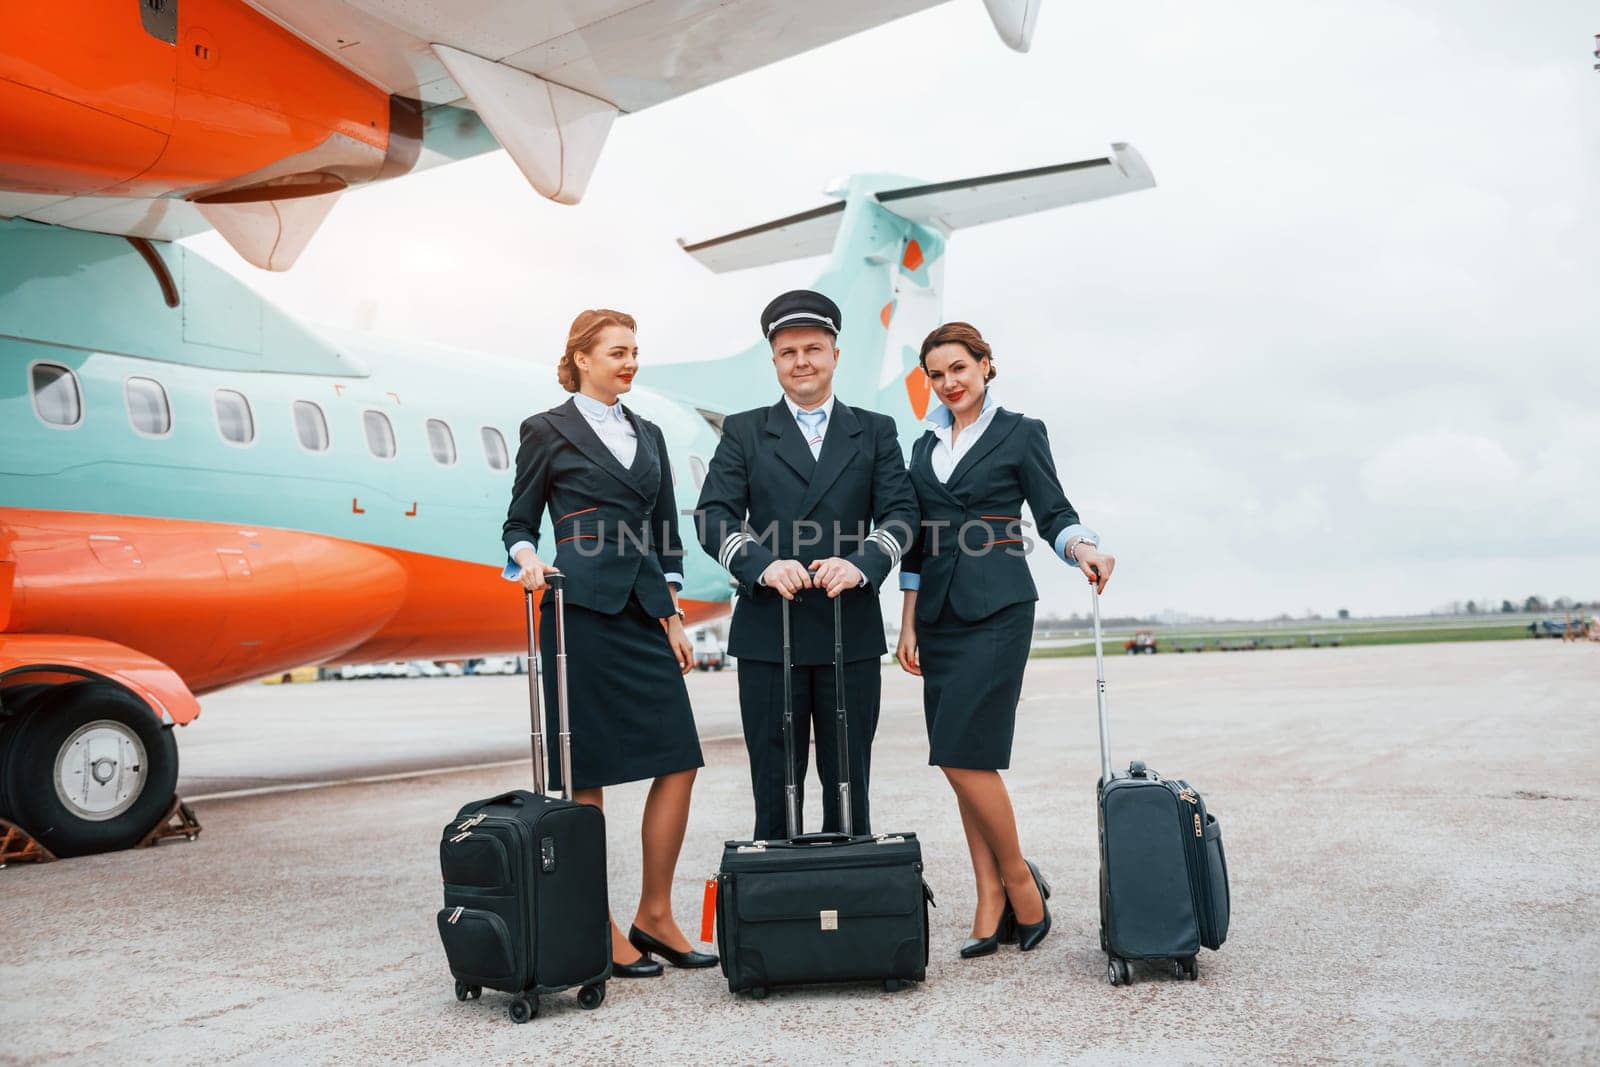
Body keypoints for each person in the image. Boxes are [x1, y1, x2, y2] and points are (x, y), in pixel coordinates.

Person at [502, 308, 715, 977]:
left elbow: (664, 533)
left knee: (679, 756)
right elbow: (518, 519)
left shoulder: (647, 433)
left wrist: (673, 616)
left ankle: (655, 912)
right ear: (583, 357)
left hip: (643, 609)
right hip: (578, 608)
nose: (630, 362)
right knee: (586, 772)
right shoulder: (546, 429)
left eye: (634, 351)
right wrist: (527, 558)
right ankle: (598, 923)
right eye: (617, 351)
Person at [894, 321, 1116, 957]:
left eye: (959, 368)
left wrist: (1083, 547)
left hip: (998, 608)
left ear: (986, 365)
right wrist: (907, 620)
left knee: (963, 752)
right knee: (965, 759)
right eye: (937, 374)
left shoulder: (1021, 432)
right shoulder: (923, 444)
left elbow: (1052, 511)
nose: (949, 382)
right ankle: (988, 895)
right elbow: (917, 539)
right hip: (937, 613)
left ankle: (1020, 881)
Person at [695, 289, 918, 839]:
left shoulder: (875, 429)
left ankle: (850, 897)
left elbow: (902, 512)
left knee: (848, 781)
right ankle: (777, 904)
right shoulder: (744, 431)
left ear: (835, 356)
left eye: (813, 349)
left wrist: (863, 563)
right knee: (774, 784)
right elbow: (713, 517)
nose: (802, 362)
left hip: (850, 629)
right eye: (788, 352)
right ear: (774, 362)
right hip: (772, 632)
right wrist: (763, 565)